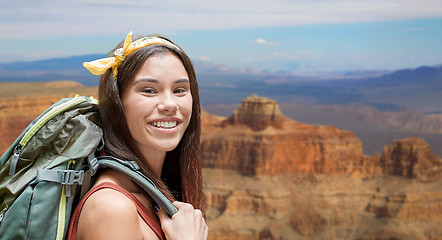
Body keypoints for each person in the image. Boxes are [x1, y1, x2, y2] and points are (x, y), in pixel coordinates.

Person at [67, 32, 208, 240]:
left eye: (180, 90)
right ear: (117, 102)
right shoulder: (112, 208)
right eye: (149, 90)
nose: (170, 104)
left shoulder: (151, 194)